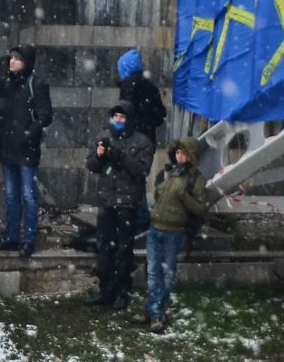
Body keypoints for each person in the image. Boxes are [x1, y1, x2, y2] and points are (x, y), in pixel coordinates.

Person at [140, 137, 215, 335]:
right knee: (153, 272)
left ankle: (155, 313)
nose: (179, 156)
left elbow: (202, 209)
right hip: (155, 228)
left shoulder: (196, 179)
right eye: (178, 152)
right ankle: (153, 310)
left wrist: (185, 197)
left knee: (167, 274)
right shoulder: (170, 172)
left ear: (191, 156)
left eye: (183, 153)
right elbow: (159, 195)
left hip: (174, 232)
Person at [86, 102, 153, 310]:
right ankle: (106, 289)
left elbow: (141, 171)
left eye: (122, 117)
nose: (118, 120)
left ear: (130, 119)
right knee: (104, 245)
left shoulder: (142, 141)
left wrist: (122, 156)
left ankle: (123, 290)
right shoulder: (104, 136)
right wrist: (99, 155)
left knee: (125, 248)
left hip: (127, 201)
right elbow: (92, 166)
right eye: (116, 116)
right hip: (107, 199)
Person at [0, 45, 52, 258]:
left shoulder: (36, 84)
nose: (11, 61)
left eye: (17, 58)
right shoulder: (6, 83)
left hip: (26, 149)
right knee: (10, 194)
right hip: (8, 147)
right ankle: (11, 236)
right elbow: (0, 112)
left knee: (28, 194)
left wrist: (27, 134)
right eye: (11, 58)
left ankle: (29, 238)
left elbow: (45, 115)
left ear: (26, 62)